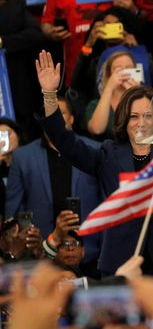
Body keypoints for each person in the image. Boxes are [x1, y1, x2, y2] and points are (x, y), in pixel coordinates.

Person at [34, 50, 153, 291]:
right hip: (121, 262)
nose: (142, 123)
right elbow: (66, 142)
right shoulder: (107, 154)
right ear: (123, 121)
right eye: (134, 117)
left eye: (148, 116)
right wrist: (49, 94)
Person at [6, 96, 102, 269]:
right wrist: (28, 245)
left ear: (71, 118)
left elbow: (107, 202)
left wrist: (92, 250)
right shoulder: (22, 157)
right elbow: (13, 213)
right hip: (40, 257)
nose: (53, 117)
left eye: (60, 112)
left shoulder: (95, 150)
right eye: (48, 113)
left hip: (89, 256)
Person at [0, 0, 44, 137]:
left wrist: (3, 42)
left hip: (17, 83)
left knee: (24, 130)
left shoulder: (16, 5)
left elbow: (35, 34)